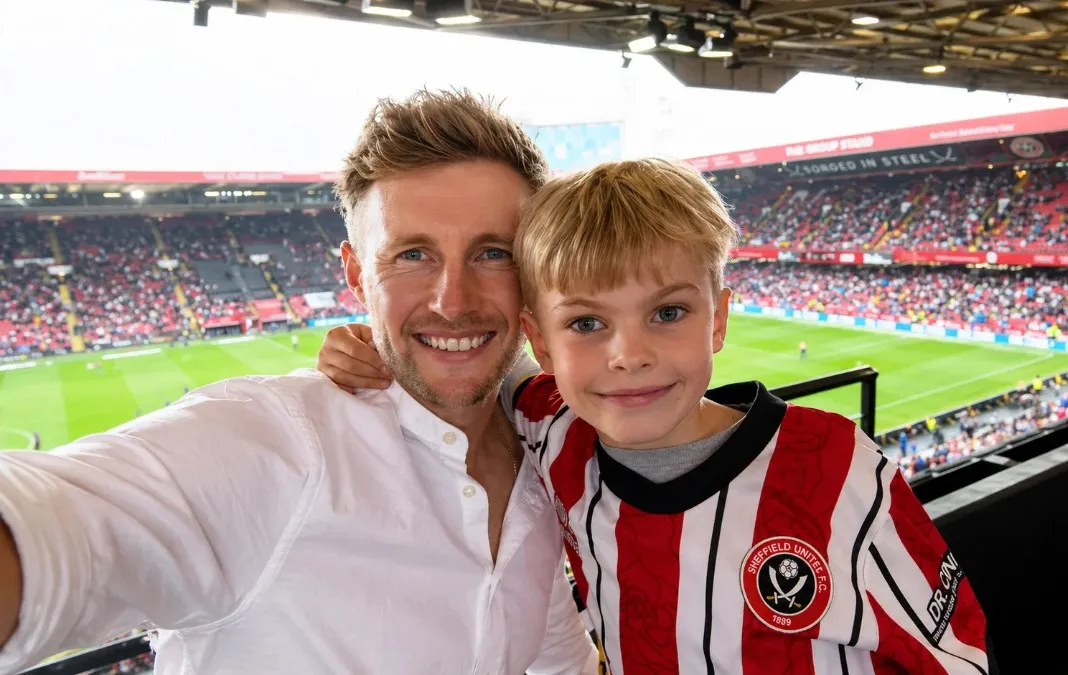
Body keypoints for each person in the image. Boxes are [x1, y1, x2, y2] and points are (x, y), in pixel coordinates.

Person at [318, 158, 995, 673]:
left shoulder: (839, 467)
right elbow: (473, 366)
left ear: (719, 319)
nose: (628, 355)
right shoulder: (553, 428)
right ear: (542, 340)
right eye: (587, 322)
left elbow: (955, 650)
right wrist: (370, 343)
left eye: (667, 312)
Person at [0, 91, 597, 675]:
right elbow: (60, 526)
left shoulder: (543, 460)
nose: (453, 300)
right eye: (412, 255)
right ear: (358, 277)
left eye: (493, 253)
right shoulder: (274, 444)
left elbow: (556, 658)